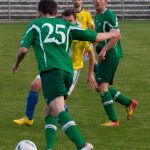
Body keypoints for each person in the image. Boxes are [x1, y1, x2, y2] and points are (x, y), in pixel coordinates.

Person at [13, 0, 119, 149]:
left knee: (58, 109)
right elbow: (94, 37)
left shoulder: (35, 25)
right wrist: (112, 34)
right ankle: (49, 148)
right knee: (49, 110)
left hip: (51, 71)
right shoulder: (67, 25)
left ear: (39, 12)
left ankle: (82, 145)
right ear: (56, 13)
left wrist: (16, 64)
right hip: (68, 72)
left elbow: (23, 50)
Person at [13, 9, 96, 126]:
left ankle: (65, 123)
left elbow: (91, 54)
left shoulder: (79, 33)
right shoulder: (59, 30)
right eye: (65, 20)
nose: (68, 22)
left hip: (72, 70)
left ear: (75, 20)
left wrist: (90, 74)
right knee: (35, 85)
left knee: (57, 103)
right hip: (54, 66)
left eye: (70, 20)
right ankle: (28, 118)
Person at [93, 0, 138, 127]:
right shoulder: (97, 15)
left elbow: (117, 36)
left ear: (105, 1)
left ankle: (113, 120)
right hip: (105, 55)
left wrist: (104, 50)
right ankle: (129, 103)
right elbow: (100, 35)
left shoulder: (110, 15)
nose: (97, 1)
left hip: (111, 55)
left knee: (102, 87)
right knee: (99, 87)